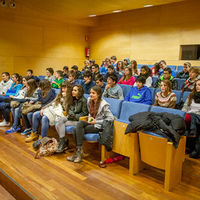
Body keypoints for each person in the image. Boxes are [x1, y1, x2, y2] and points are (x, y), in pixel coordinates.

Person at [67, 86, 114, 163]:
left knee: (76, 129)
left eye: (93, 93)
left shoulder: (104, 104)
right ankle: (79, 152)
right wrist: (89, 118)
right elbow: (90, 113)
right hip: (91, 123)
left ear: (98, 95)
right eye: (90, 93)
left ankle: (78, 153)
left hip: (99, 126)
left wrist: (96, 121)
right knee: (79, 125)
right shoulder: (89, 100)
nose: (91, 95)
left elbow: (110, 119)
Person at [55, 85, 88, 153]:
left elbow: (85, 113)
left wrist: (75, 116)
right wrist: (71, 114)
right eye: (73, 90)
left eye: (75, 90)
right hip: (71, 118)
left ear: (80, 92)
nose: (72, 91)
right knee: (60, 121)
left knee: (59, 125)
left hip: (79, 120)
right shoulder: (72, 99)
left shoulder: (84, 100)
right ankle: (63, 142)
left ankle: (63, 143)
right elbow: (69, 109)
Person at [182, 79, 200, 158]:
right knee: (188, 117)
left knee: (192, 116)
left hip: (198, 117)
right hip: (189, 117)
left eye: (199, 85)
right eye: (196, 85)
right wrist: (182, 114)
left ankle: (191, 147)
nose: (197, 87)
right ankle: (186, 146)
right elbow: (185, 107)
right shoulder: (191, 95)